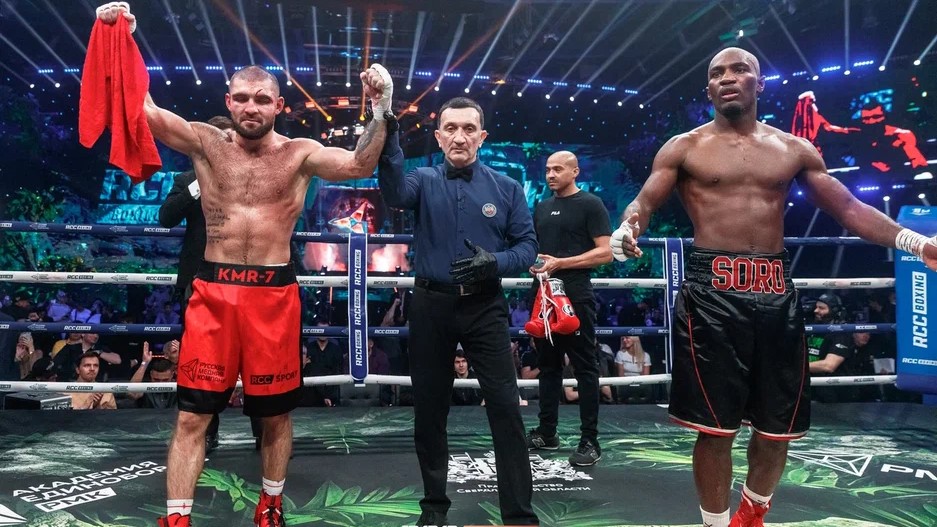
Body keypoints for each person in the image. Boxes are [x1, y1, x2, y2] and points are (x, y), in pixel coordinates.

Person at [609, 47, 937, 527]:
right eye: (717, 72)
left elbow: (848, 208)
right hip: (711, 297)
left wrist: (915, 242)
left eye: (739, 69)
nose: (727, 77)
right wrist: (627, 228)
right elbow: (643, 202)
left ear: (759, 83)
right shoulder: (683, 147)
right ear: (708, 88)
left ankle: (752, 514)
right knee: (715, 430)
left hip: (776, 293)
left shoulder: (794, 149)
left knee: (776, 428)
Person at [93, 5, 392, 527]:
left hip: (273, 296)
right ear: (228, 101)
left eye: (262, 99)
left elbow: (359, 163)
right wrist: (123, 39)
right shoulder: (205, 143)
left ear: (278, 105)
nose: (252, 107)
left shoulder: (300, 154)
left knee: (275, 414)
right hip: (213, 291)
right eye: (243, 98)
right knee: (192, 414)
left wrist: (381, 106)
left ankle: (270, 503)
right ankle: (177, 518)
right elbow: (143, 110)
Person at [377, 96, 539, 526]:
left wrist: (495, 262)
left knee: (506, 408)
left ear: (482, 136)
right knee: (430, 410)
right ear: (438, 136)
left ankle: (519, 516)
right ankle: (434, 508)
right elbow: (394, 192)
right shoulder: (423, 179)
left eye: (469, 129)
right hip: (431, 305)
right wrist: (391, 134)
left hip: (484, 305)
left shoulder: (507, 187)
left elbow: (528, 247)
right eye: (451, 128)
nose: (460, 137)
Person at [525, 150, 612, 466]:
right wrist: (534, 263)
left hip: (575, 294)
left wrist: (562, 263)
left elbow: (605, 253)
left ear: (575, 171)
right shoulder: (541, 207)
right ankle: (547, 432)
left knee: (585, 367)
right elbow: (538, 250)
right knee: (547, 366)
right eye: (548, 169)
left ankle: (590, 441)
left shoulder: (591, 204)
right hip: (543, 294)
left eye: (558, 169)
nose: (551, 174)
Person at [158, 115, 235, 454]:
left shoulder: (249, 177)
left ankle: (265, 433)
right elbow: (166, 217)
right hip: (199, 280)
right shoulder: (187, 179)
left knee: (252, 356)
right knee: (203, 362)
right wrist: (199, 184)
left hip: (243, 278)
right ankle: (206, 432)